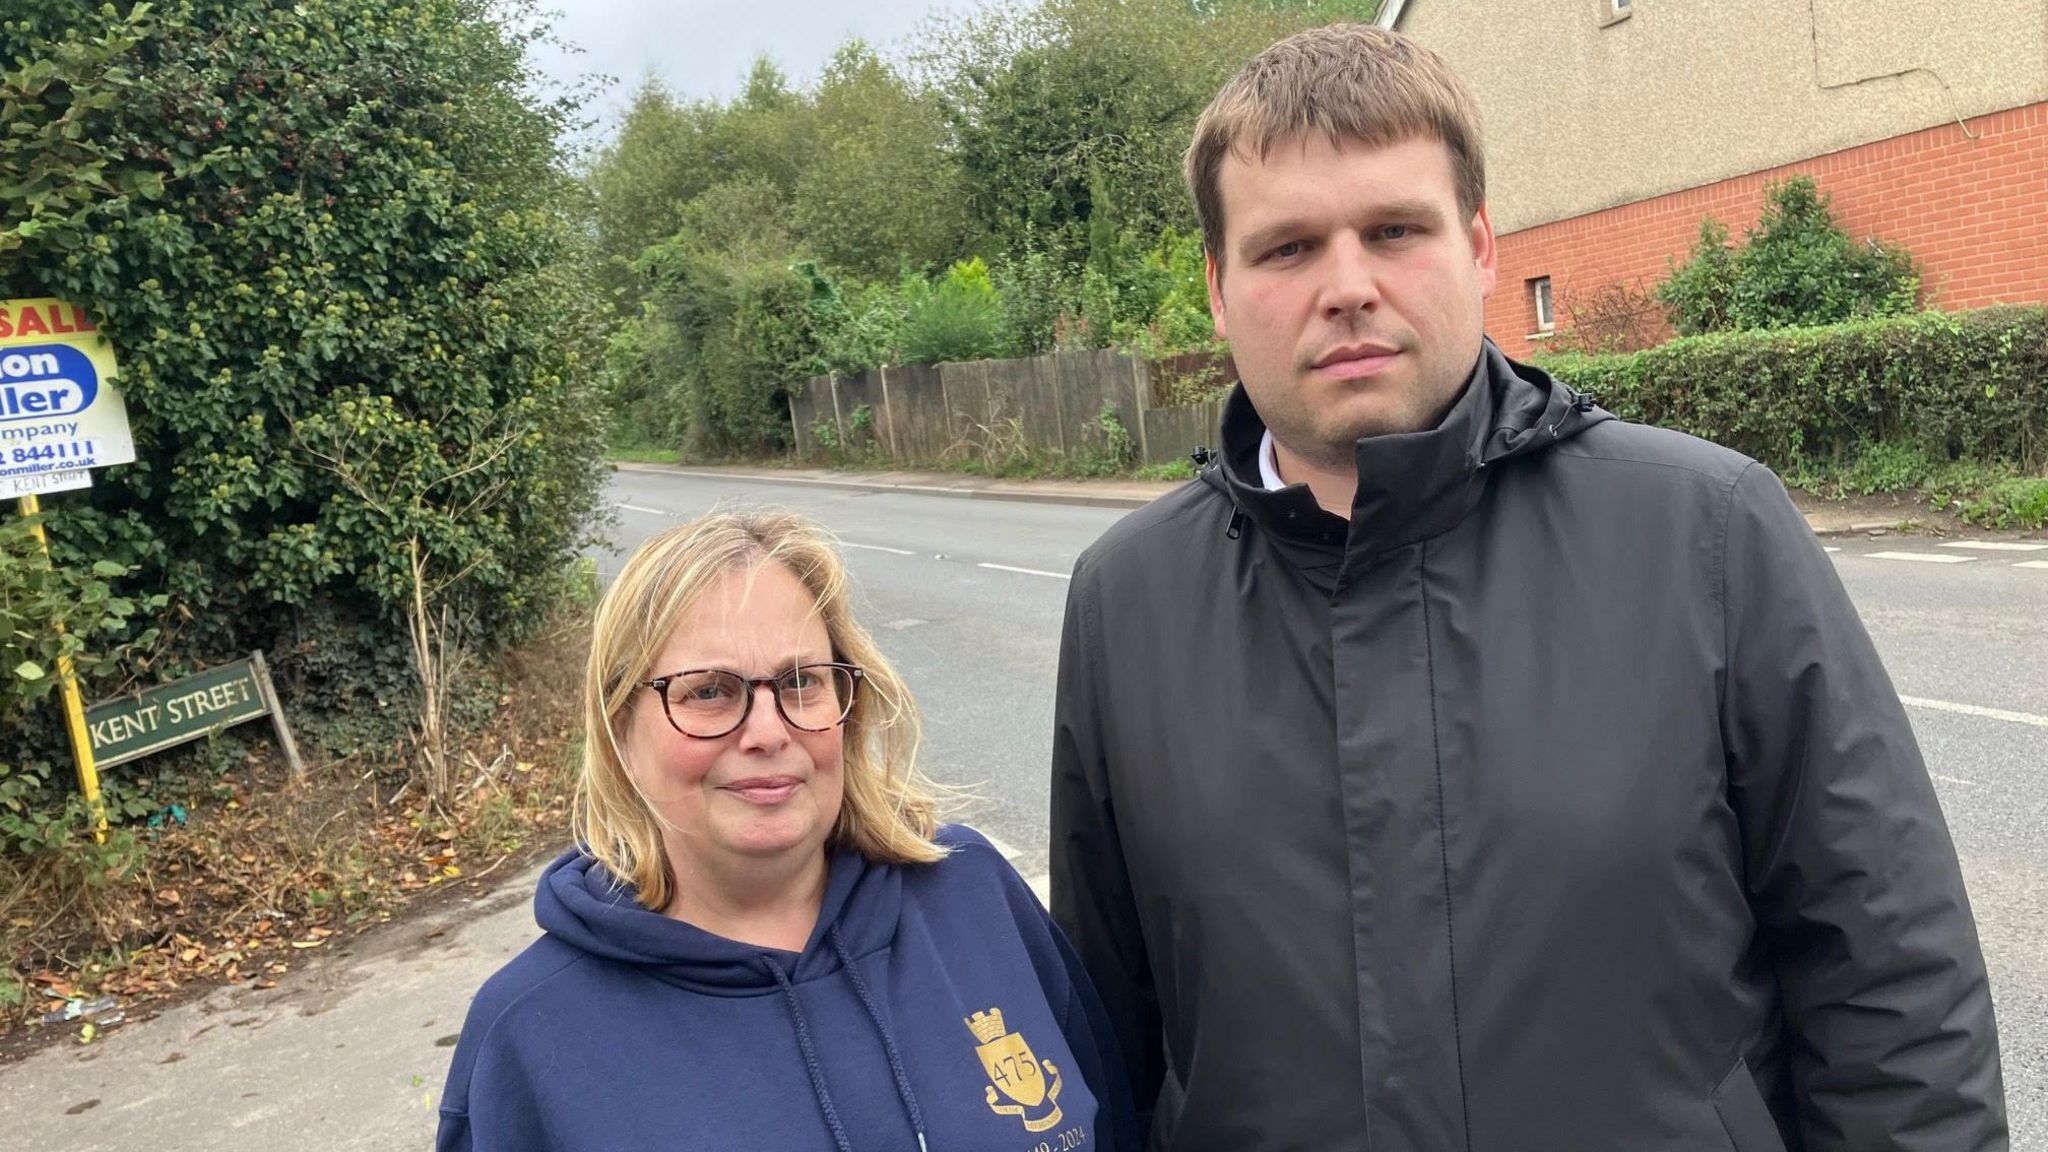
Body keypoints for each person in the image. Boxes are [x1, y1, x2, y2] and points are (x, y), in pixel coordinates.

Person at [1050, 23, 2005, 1152]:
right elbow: (1106, 1039)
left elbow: (1891, 987)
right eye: (1287, 248)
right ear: (1218, 287)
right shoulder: (1126, 603)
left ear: (1480, 245)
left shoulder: (1704, 532)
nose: (1346, 286)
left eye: (1393, 230)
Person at [440, 510, 1135, 1152]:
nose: (768, 732)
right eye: (709, 691)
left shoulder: (973, 893)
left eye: (802, 681)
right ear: (620, 728)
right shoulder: (527, 1039)